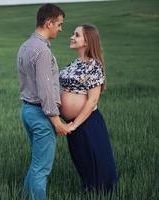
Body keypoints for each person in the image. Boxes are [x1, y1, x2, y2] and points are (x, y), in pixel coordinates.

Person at [17, 4, 71, 200]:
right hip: (42, 115)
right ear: (49, 23)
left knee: (36, 164)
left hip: (27, 111)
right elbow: (45, 90)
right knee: (41, 169)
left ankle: (25, 196)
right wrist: (56, 121)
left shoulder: (25, 46)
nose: (61, 29)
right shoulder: (42, 51)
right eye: (59, 24)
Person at [59, 24, 118, 193]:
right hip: (73, 124)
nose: (71, 37)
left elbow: (92, 101)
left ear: (87, 41)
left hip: (87, 123)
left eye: (76, 35)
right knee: (82, 161)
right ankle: (89, 192)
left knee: (97, 161)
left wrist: (75, 124)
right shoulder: (74, 63)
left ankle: (105, 194)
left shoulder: (94, 66)